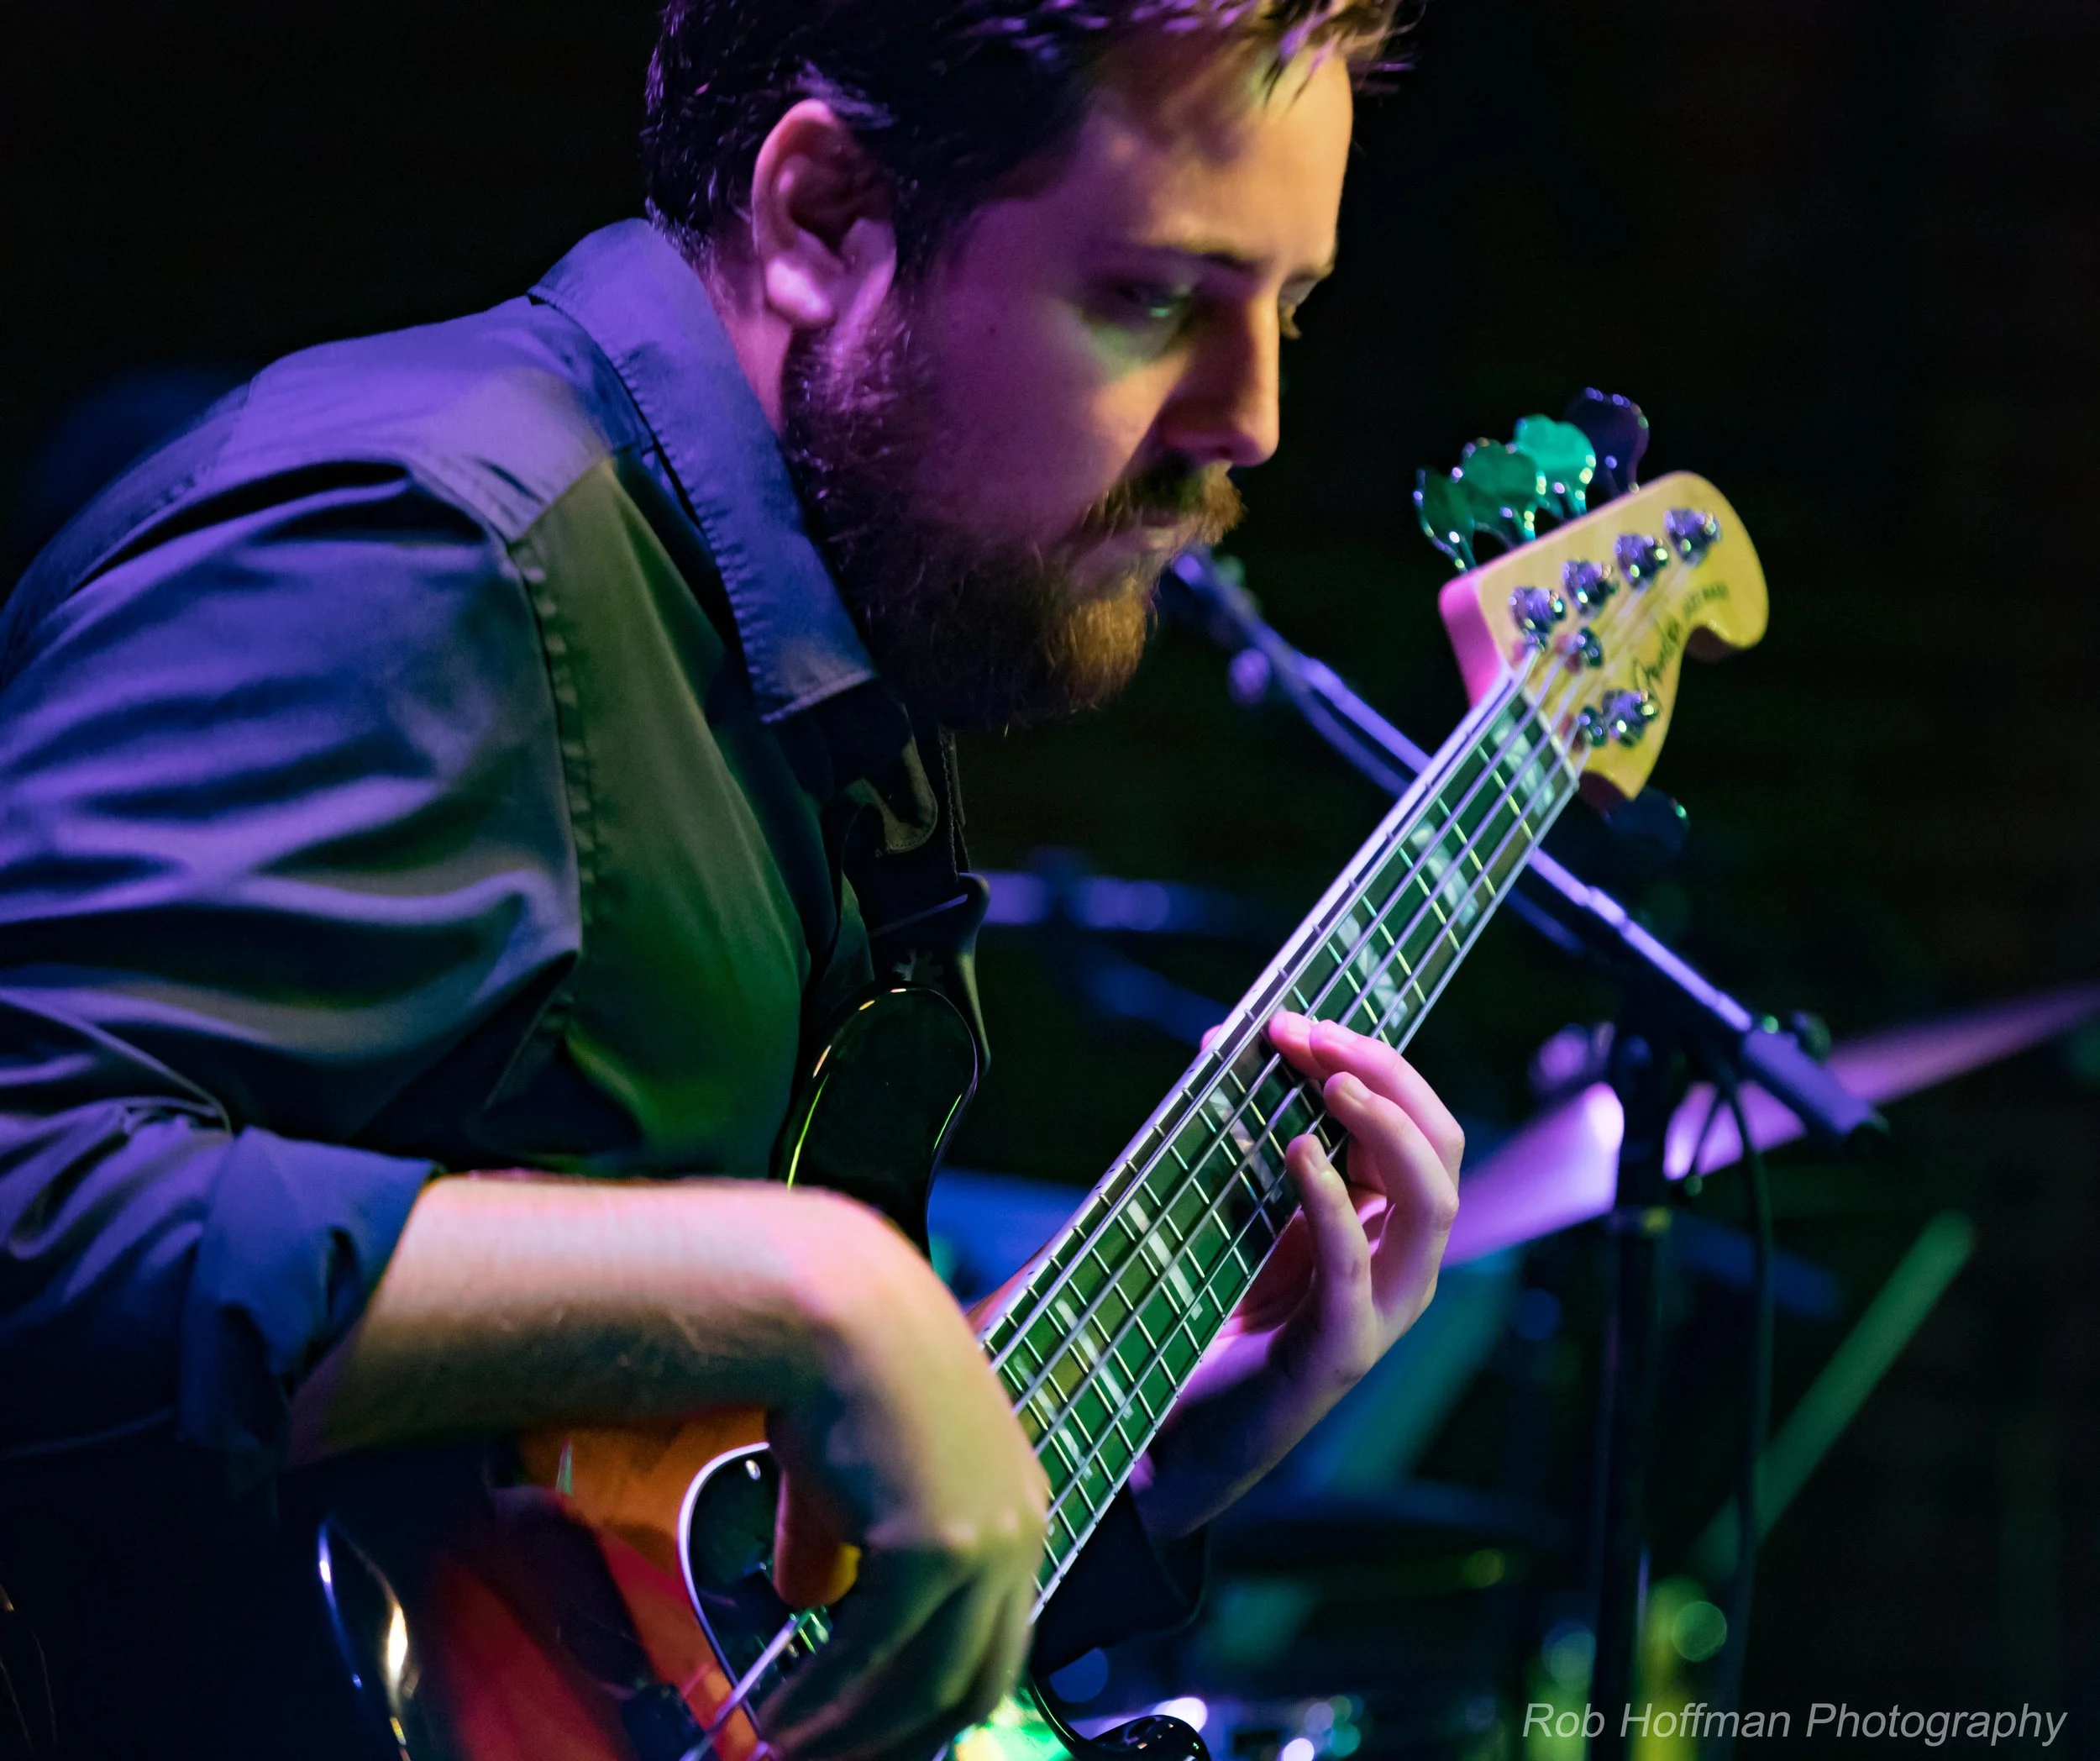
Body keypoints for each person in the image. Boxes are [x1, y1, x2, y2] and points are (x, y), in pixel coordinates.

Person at [0, 3, 1464, 1757]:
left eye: (1285, 310)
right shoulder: (446, 552)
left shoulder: (809, 635)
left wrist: (1134, 1446)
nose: (1253, 421)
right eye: (1152, 297)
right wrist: (793, 1283)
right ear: (826, 210)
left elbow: (660, 1612)